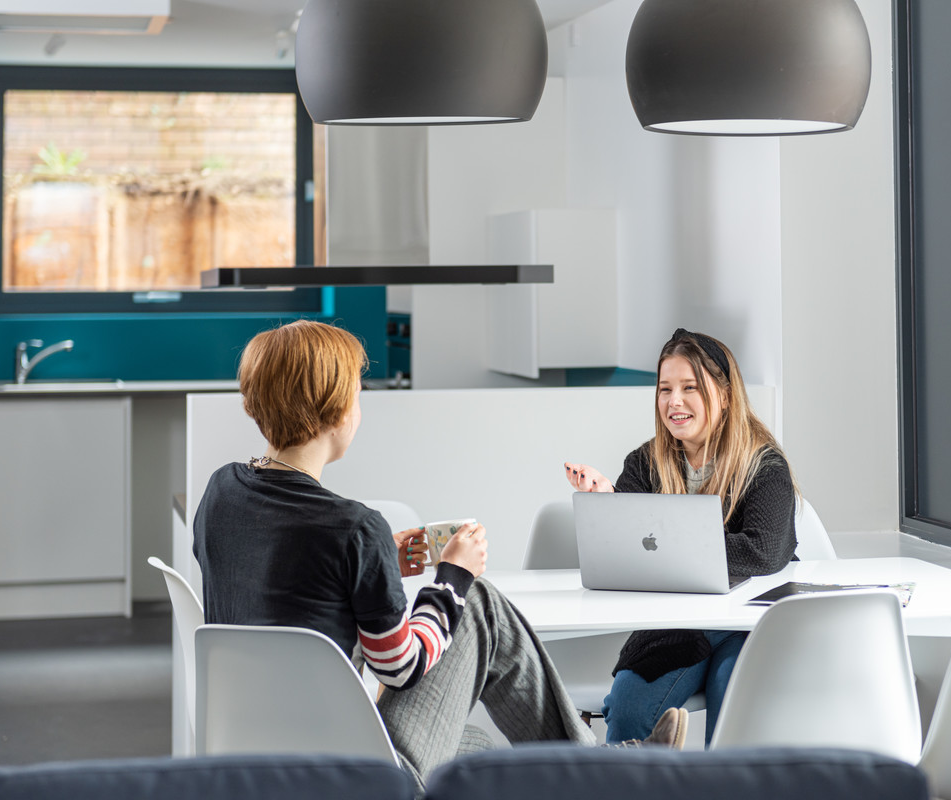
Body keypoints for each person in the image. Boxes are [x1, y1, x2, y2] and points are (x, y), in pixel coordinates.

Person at [193, 320, 686, 793]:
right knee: (478, 603)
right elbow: (399, 666)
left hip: (253, 760)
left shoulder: (222, 491)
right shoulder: (354, 528)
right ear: (338, 410)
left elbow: (282, 591)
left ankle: (592, 771)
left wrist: (379, 560)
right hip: (357, 771)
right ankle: (605, 773)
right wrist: (453, 576)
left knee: (477, 751)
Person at [564, 328, 797, 745]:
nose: (674, 401)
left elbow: (763, 551)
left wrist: (666, 548)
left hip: (745, 621)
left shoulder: (764, 466)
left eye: (690, 387)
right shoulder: (645, 462)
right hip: (672, 624)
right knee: (628, 709)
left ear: (725, 394)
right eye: (665, 389)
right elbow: (626, 554)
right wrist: (609, 504)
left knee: (734, 706)